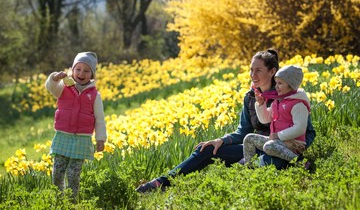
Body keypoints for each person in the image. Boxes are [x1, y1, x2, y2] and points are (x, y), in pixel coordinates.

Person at [135, 49, 316, 193]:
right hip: (253, 147)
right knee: (206, 149)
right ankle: (162, 182)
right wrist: (221, 141)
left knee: (259, 163)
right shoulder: (252, 97)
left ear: (272, 72)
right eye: (251, 70)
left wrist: (290, 147)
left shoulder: (289, 96)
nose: (253, 75)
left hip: (279, 151)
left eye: (258, 70)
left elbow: (307, 131)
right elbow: (243, 131)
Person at [45, 52, 107, 201]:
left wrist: (101, 139)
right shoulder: (63, 88)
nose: (81, 73)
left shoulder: (94, 95)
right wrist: (54, 77)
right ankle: (58, 199)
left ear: (92, 74)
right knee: (58, 172)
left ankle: (72, 201)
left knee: (73, 175)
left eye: (86, 70)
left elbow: (100, 119)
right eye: (78, 69)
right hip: (63, 136)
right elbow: (50, 87)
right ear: (72, 70)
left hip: (82, 140)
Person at [243, 65, 310, 167]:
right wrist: (261, 104)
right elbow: (265, 120)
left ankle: (300, 162)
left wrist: (278, 135)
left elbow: (300, 128)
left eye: (280, 83)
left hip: (294, 144)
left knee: (269, 146)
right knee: (249, 138)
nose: (276, 86)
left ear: (290, 85)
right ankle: (249, 167)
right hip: (277, 142)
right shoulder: (278, 101)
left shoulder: (298, 104)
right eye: (276, 83)